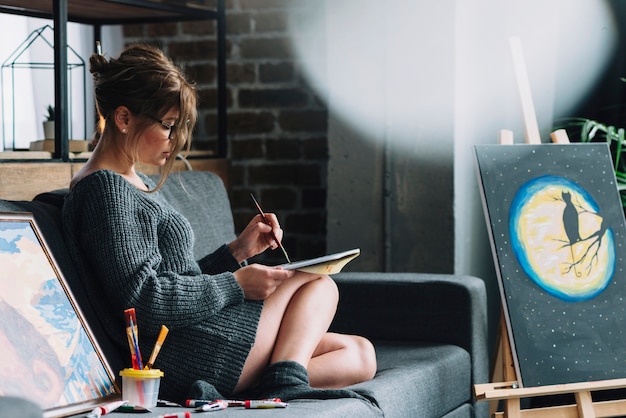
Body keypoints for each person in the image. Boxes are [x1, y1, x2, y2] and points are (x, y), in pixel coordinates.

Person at [62, 44, 376, 404]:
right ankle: (281, 383)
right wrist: (235, 286)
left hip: (193, 332)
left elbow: (180, 280)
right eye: (168, 126)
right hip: (177, 350)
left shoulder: (132, 182)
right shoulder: (105, 190)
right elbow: (142, 301)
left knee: (360, 355)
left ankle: (274, 380)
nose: (176, 139)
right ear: (123, 118)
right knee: (318, 283)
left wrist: (238, 251)